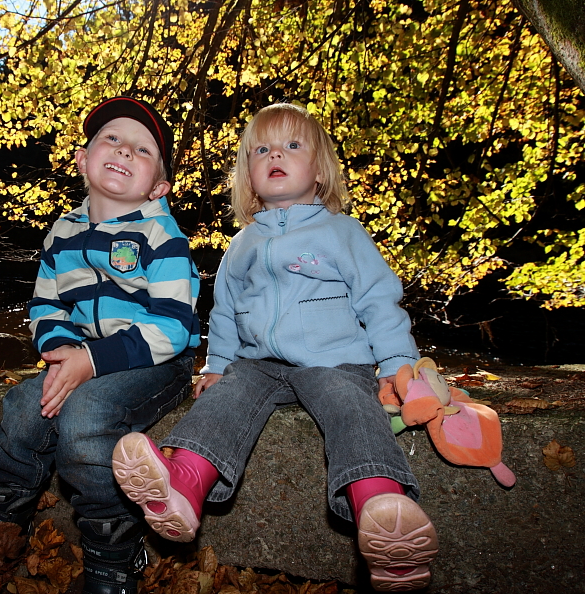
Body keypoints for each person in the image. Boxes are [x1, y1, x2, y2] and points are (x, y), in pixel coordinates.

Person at [112, 103, 439, 592]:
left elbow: (377, 299)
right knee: (226, 400)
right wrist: (217, 366)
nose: (275, 156)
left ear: (321, 171)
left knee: (351, 404)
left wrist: (397, 363)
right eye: (260, 150)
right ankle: (183, 485)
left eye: (291, 146)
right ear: (248, 174)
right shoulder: (242, 244)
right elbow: (223, 312)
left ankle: (380, 507)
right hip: (258, 363)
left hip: (335, 358)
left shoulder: (341, 231)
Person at [0, 96, 201, 594]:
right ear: (83, 158)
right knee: (26, 406)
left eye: (142, 149)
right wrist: (63, 354)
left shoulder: (162, 236)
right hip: (84, 354)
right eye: (111, 139)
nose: (123, 150)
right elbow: (46, 305)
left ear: (158, 186)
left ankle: (113, 557)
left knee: (88, 418)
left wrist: (92, 363)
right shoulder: (62, 232)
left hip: (156, 359)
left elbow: (176, 325)